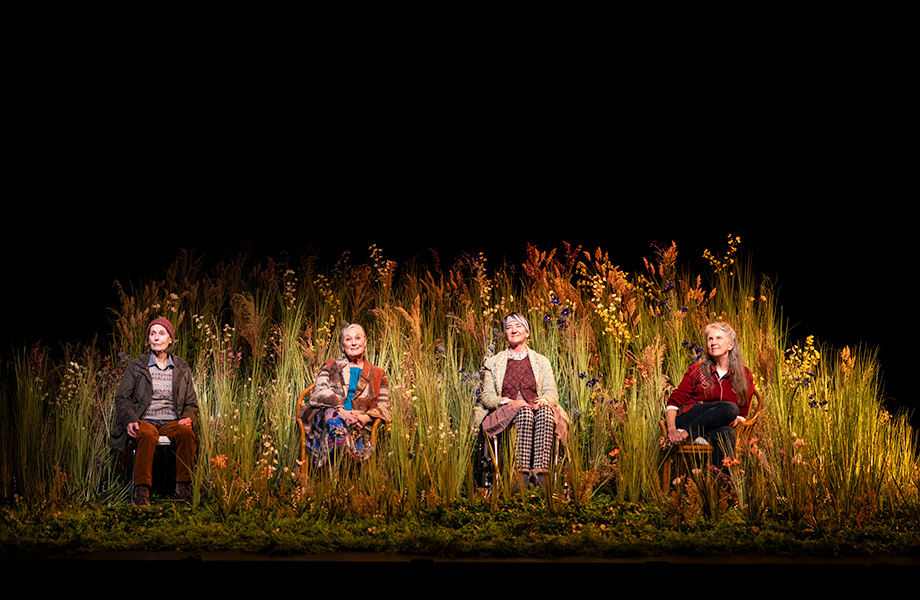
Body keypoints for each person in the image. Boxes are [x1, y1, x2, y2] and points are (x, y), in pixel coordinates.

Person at [108, 317, 199, 506]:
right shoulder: (137, 366)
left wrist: (189, 418)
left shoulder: (182, 367)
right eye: (152, 333)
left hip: (171, 421)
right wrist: (130, 419)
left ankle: (183, 491)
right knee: (147, 435)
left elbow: (191, 403)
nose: (156, 338)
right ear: (148, 339)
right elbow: (122, 398)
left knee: (186, 432)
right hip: (145, 419)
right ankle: (141, 494)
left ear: (170, 339)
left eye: (161, 333)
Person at [480, 312, 568, 490]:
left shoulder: (541, 361)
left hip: (537, 407)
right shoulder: (494, 362)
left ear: (527, 332)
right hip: (507, 411)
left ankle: (542, 476)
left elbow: (552, 392)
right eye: (509, 327)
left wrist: (544, 399)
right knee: (524, 412)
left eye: (518, 326)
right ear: (505, 335)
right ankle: (520, 476)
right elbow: (487, 397)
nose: (513, 330)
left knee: (544, 412)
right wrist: (507, 402)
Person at [300, 323, 391, 466]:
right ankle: (344, 448)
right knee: (331, 414)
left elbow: (384, 406)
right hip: (327, 419)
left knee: (345, 427)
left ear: (365, 342)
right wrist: (341, 412)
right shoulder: (330, 365)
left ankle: (342, 454)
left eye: (358, 338)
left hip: (359, 424)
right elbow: (321, 391)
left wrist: (364, 417)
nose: (354, 343)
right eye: (348, 339)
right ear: (342, 346)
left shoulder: (379, 374)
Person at [665, 321, 754, 468]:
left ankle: (715, 484)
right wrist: (671, 429)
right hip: (690, 417)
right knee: (730, 408)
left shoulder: (744, 374)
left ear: (730, 345)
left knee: (728, 433)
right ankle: (689, 433)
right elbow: (673, 402)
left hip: (715, 427)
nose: (713, 342)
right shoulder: (696, 370)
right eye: (710, 339)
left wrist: (735, 421)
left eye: (719, 338)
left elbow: (743, 411)